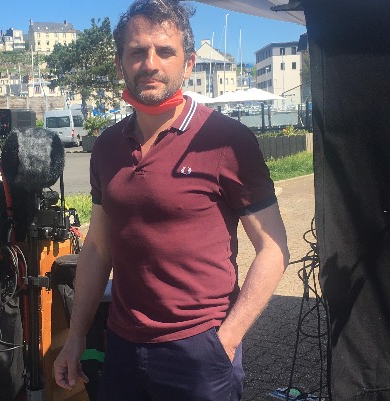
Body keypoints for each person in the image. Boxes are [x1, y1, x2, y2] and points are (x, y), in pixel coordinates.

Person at [52, 0, 290, 399]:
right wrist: (75, 337)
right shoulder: (107, 146)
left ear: (189, 63)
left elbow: (273, 248)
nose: (150, 63)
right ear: (120, 63)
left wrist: (227, 340)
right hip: (122, 344)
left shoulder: (226, 140)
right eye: (137, 51)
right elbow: (96, 247)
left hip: (200, 349)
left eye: (165, 51)